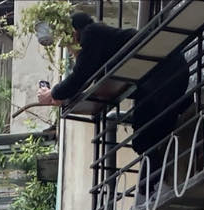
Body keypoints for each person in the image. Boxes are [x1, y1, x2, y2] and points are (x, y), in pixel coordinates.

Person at [38, 10, 190, 157]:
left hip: (164, 74)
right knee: (143, 139)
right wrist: (61, 96)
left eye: (68, 45)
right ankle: (158, 179)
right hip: (160, 77)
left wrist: (54, 93)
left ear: (74, 34)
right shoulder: (101, 41)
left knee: (147, 137)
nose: (70, 53)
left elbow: (81, 75)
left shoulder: (91, 33)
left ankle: (158, 180)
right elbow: (84, 78)